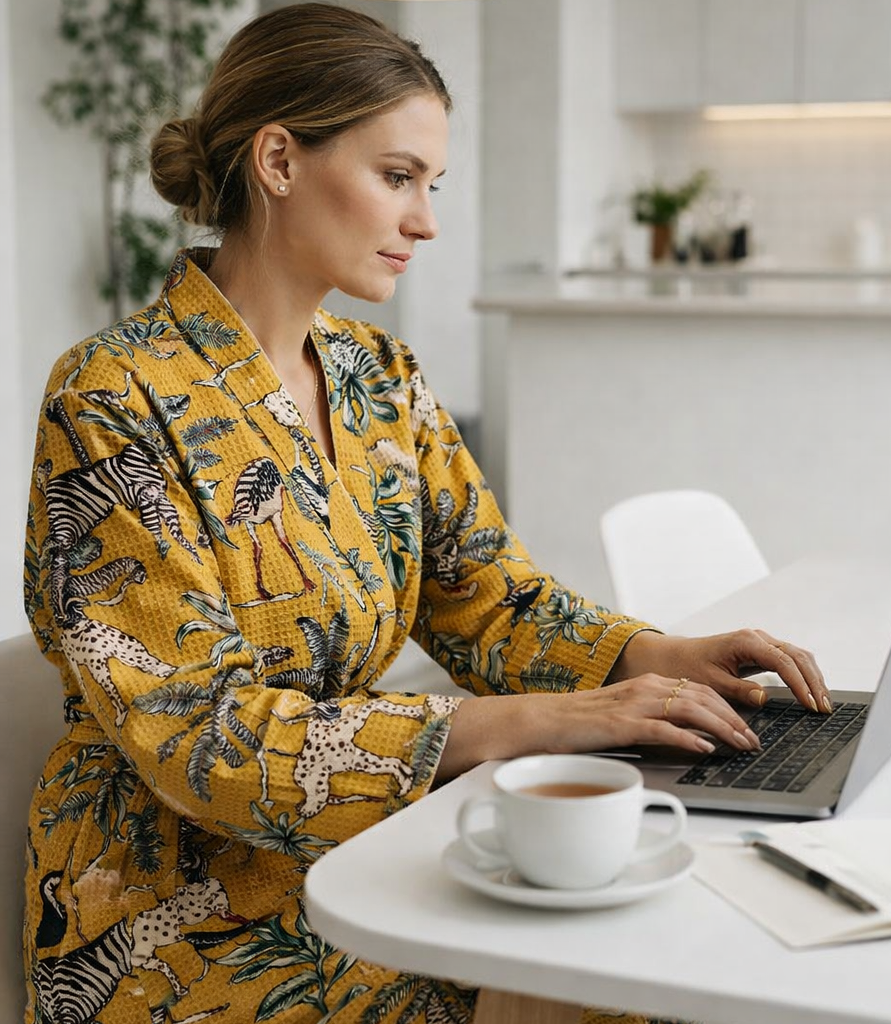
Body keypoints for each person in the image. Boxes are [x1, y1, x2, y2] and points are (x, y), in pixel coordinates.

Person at [22, 5, 829, 1023]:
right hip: (174, 919)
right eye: (397, 177)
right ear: (277, 159)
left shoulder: (379, 379)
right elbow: (202, 737)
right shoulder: (113, 395)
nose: (426, 220)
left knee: (673, 952)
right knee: (613, 985)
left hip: (365, 854)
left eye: (430, 185)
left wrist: (654, 657)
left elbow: (490, 601)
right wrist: (531, 723)